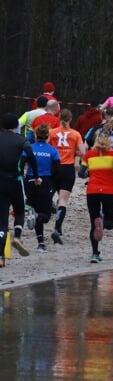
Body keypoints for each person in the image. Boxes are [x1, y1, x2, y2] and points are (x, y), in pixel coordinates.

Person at [0, 113, 41, 266]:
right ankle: (17, 236)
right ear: (16, 126)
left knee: (2, 221)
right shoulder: (21, 140)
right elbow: (31, 157)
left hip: (0, 182)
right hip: (15, 181)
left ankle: (0, 257)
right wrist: (36, 176)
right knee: (20, 210)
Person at [82, 130, 113, 262]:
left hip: (92, 191)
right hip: (108, 191)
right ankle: (103, 225)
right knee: (111, 222)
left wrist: (89, 173)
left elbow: (81, 173)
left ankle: (95, 253)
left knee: (93, 225)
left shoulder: (88, 155)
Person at [48, 109, 86, 244]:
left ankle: (42, 216)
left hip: (54, 167)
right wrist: (73, 152)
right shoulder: (76, 134)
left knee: (49, 195)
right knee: (63, 200)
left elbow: (46, 147)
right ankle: (57, 228)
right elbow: (83, 153)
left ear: (59, 118)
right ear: (71, 119)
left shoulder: (52, 133)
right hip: (67, 168)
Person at [24, 123, 59, 253]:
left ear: (35, 135)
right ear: (48, 136)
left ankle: (41, 243)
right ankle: (36, 216)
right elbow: (56, 169)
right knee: (45, 215)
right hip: (45, 182)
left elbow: (22, 162)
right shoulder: (52, 150)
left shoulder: (29, 148)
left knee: (35, 209)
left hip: (30, 180)